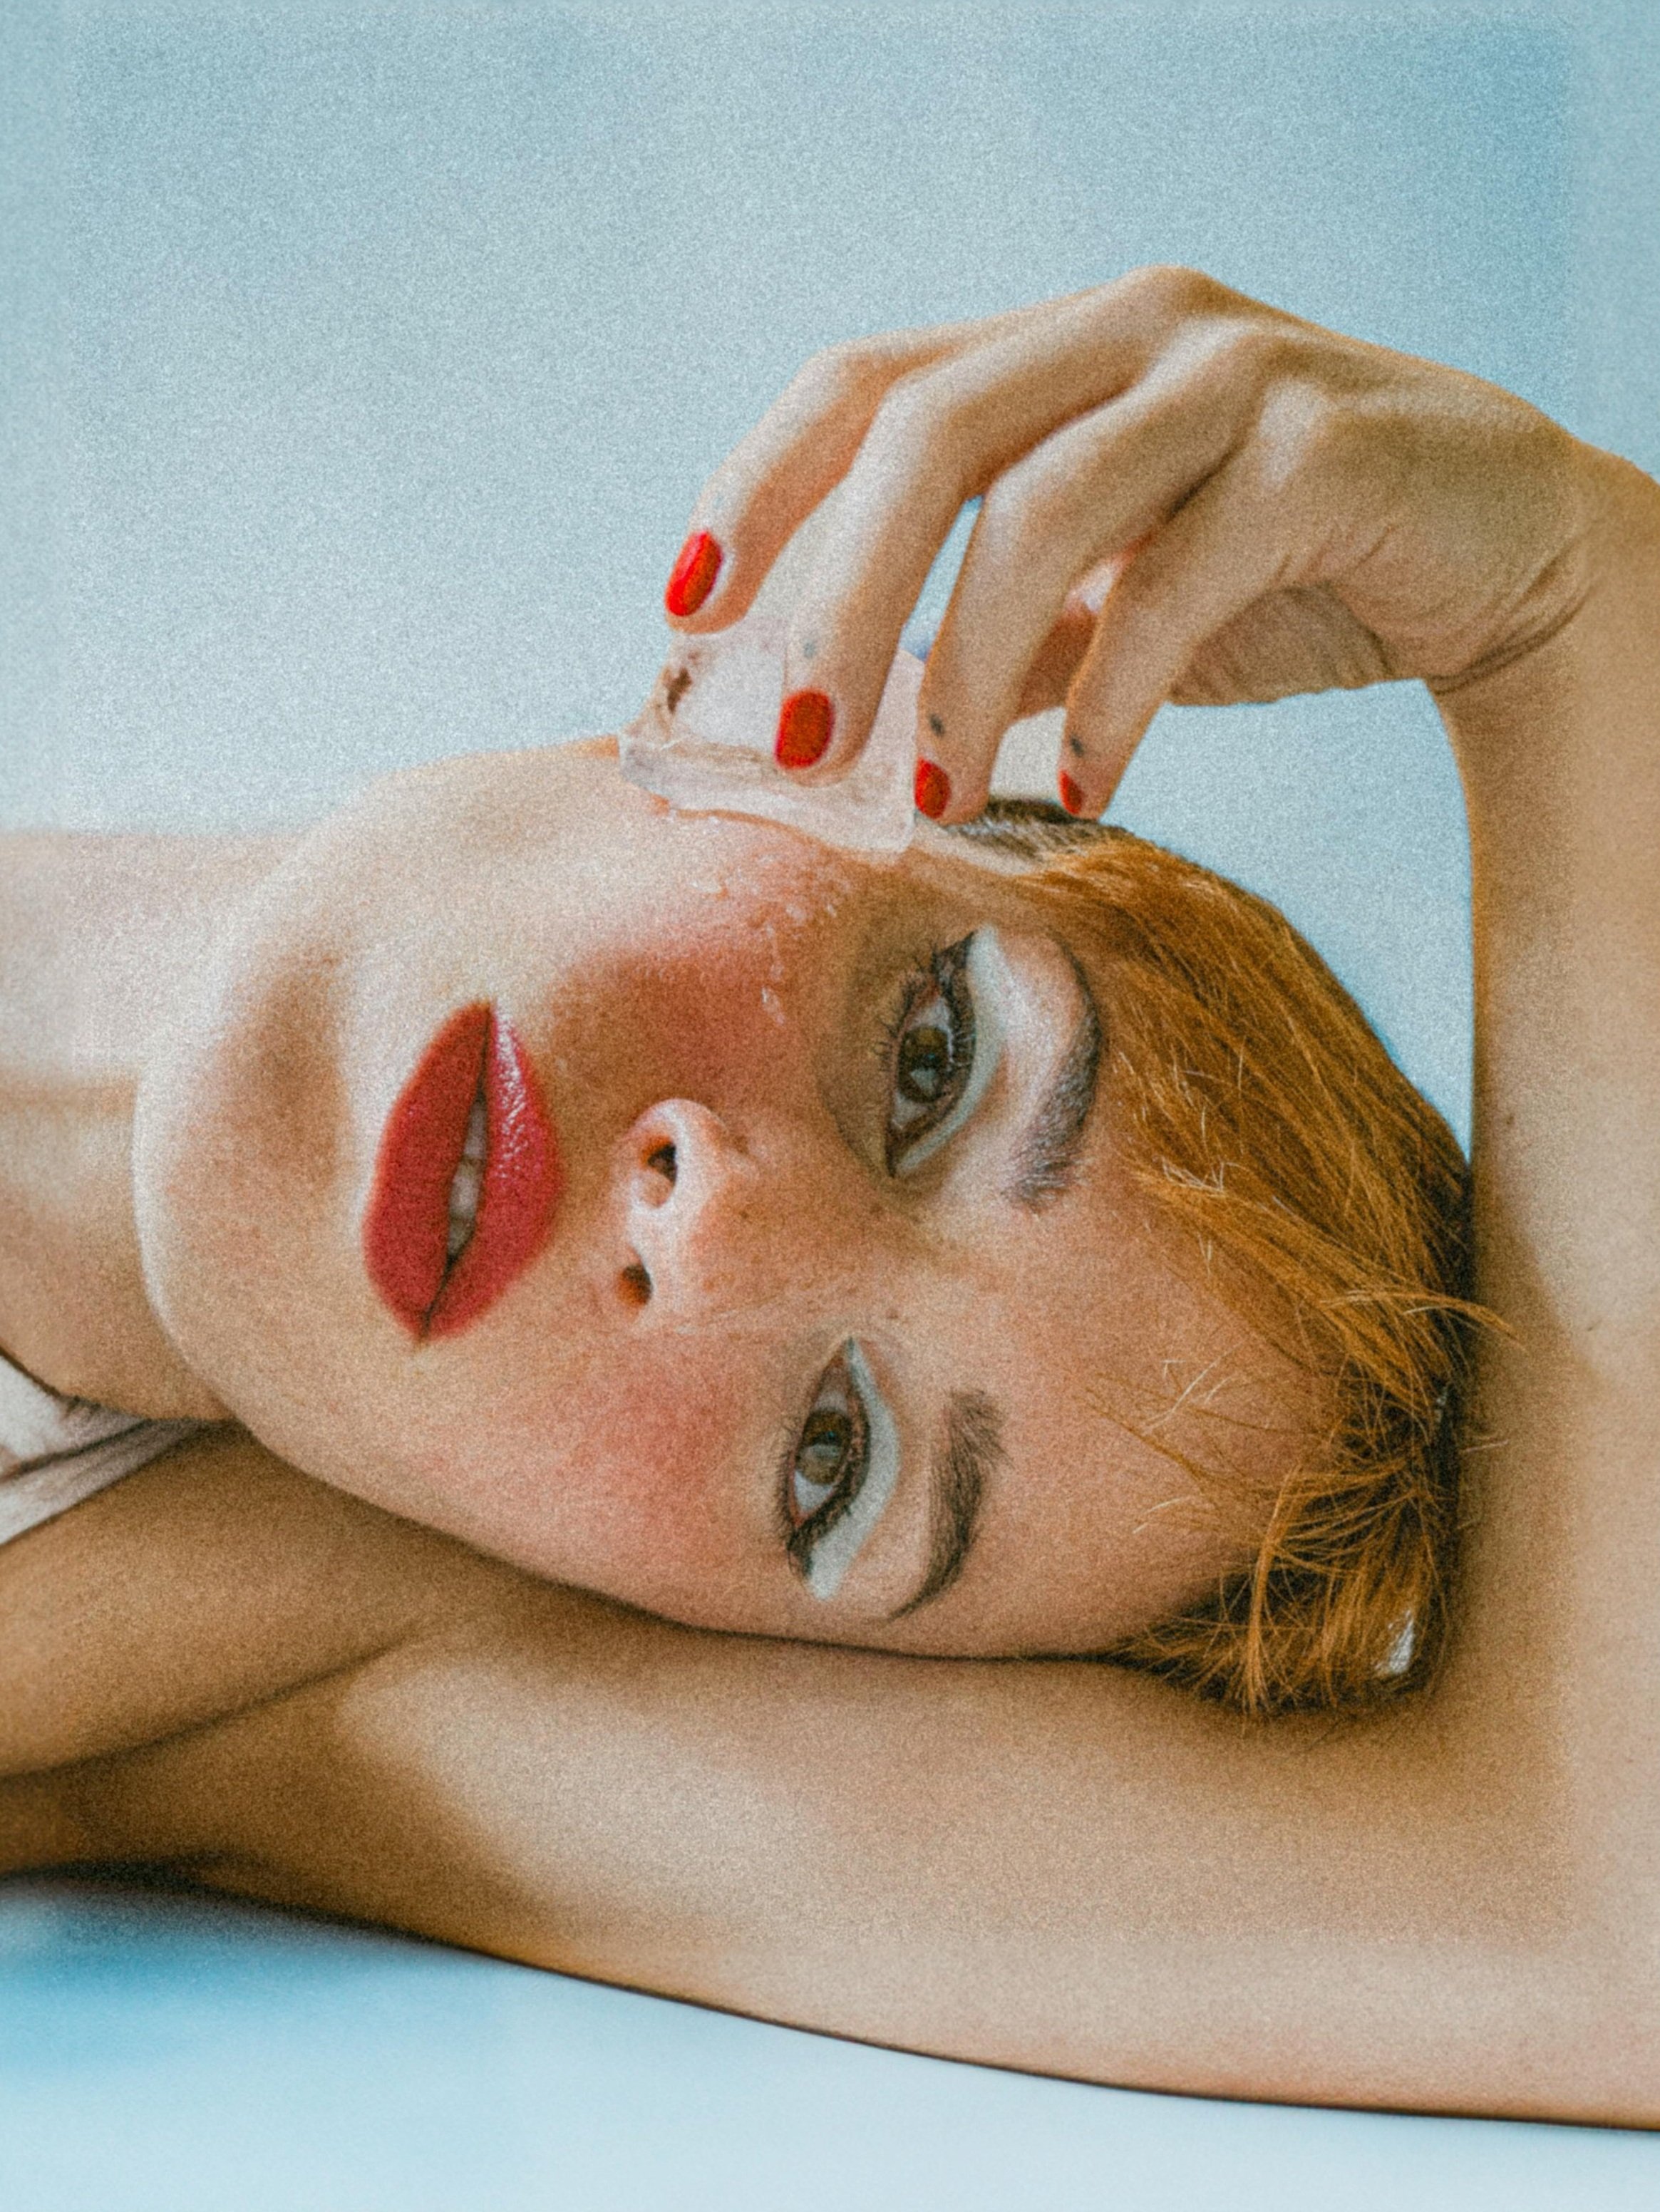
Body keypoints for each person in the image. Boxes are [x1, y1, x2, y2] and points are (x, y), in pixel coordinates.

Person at [3, 269, 1657, 2121]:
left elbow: (1608, 1937)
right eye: (932, 1062)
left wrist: (1569, 606)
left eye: (831, 1462)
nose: (709, 1237)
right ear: (849, 737)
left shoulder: (315, 1646)